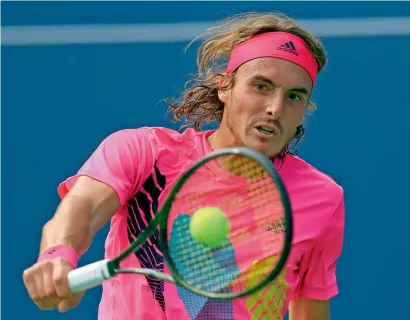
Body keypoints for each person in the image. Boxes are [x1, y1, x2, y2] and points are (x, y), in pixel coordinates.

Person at [23, 12, 345, 320]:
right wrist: (57, 254)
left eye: (294, 97)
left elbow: (309, 308)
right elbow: (83, 204)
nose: (275, 108)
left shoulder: (322, 198)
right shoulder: (145, 152)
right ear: (225, 87)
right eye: (261, 86)